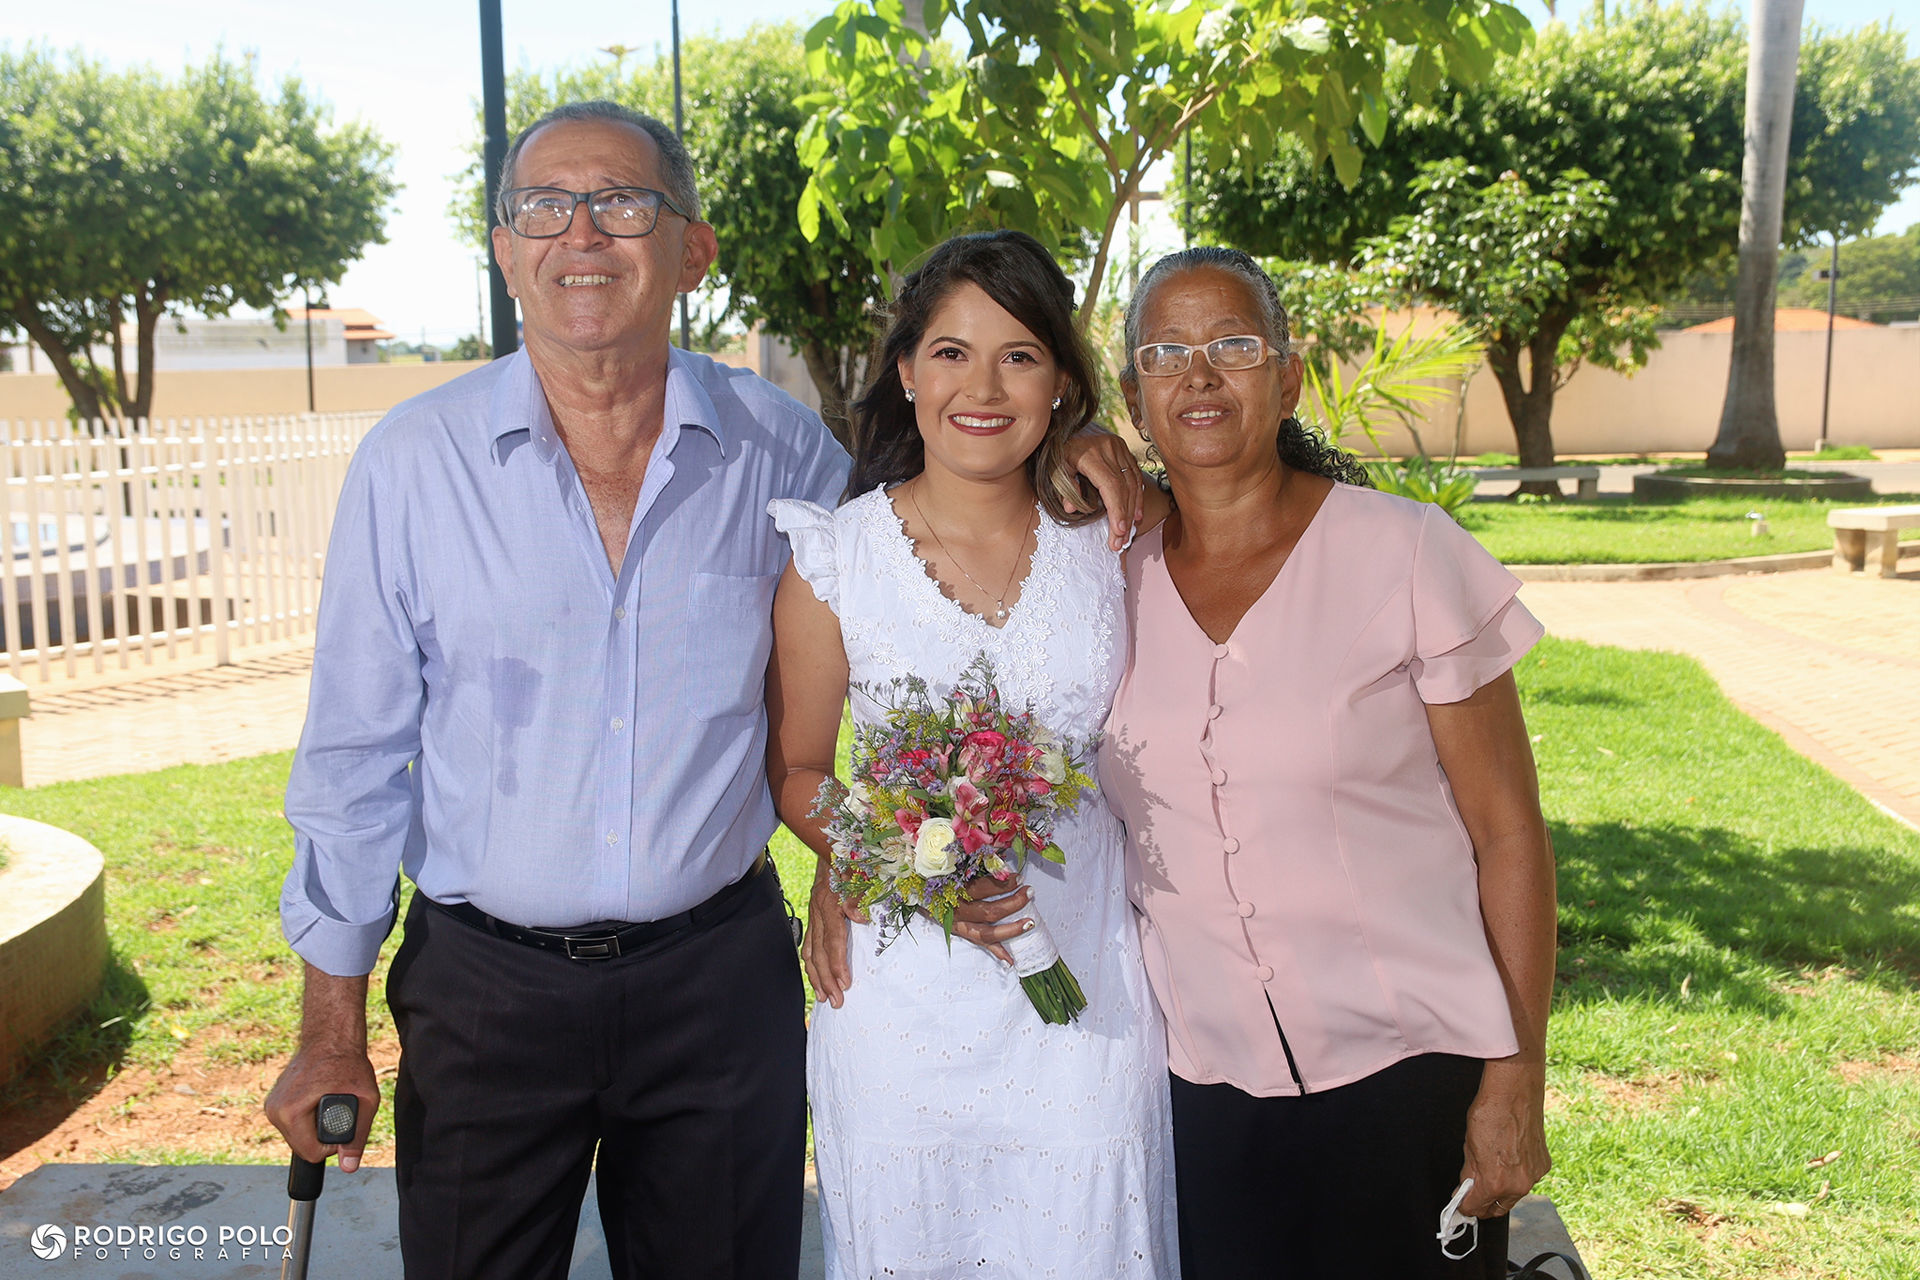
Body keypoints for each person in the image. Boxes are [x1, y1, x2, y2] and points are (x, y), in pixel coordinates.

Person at [262, 102, 1142, 1279]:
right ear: (504, 247)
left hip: (716, 992)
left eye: (625, 204)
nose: (584, 234)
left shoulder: (782, 451)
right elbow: (354, 756)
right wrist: (330, 1025)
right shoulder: (414, 466)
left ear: (693, 249)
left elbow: (932, 534)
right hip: (486, 996)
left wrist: (1078, 441)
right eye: (546, 207)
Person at [1101, 247, 1557, 1279]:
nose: (1200, 376)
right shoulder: (1103, 580)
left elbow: (1508, 831)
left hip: (1408, 1080)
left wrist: (1517, 1076)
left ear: (1289, 375)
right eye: (1166, 353)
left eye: (1234, 347)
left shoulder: (1403, 553)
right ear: (1134, 396)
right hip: (1199, 1095)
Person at [766, 229, 1179, 1278]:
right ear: (905, 372)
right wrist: (902, 856)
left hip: (1084, 994)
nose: (982, 386)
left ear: (1063, 384)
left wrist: (1104, 452)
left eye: (1020, 354)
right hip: (903, 1007)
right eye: (950, 352)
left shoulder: (1115, 534)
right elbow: (800, 770)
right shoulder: (835, 557)